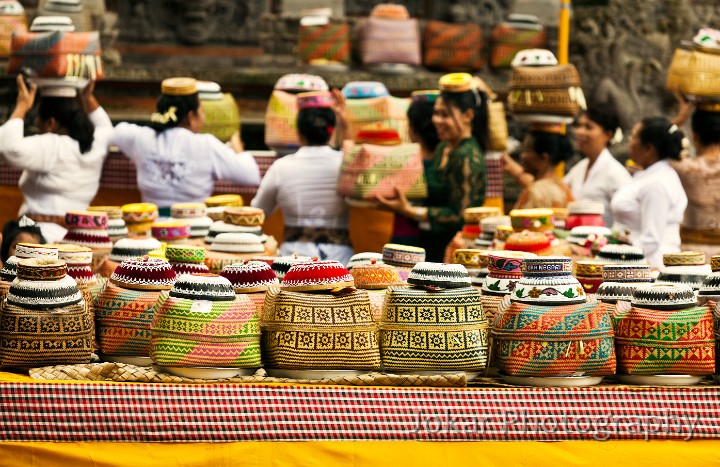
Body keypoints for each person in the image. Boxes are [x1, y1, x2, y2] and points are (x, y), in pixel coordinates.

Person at [111, 77, 261, 216]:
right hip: (193, 232)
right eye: (202, 111)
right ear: (190, 117)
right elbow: (251, 175)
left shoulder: (141, 138)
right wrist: (239, 149)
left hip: (152, 231)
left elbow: (116, 132)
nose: (204, 117)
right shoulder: (206, 144)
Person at [378, 73, 487, 262]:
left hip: (453, 251)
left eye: (445, 114)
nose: (436, 120)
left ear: (468, 115)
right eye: (436, 113)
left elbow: (459, 215)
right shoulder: (444, 147)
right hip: (428, 243)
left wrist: (410, 211)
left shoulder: (467, 155)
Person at [0, 76, 113, 243]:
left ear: (51, 123)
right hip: (78, 237)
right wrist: (88, 98)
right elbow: (106, 128)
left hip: (39, 239)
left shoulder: (53, 145)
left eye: (38, 123)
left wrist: (22, 106)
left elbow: (8, 148)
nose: (38, 128)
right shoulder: (97, 144)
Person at [251, 90, 353, 264]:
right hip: (339, 261)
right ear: (331, 132)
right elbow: (354, 158)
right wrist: (347, 127)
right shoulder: (345, 164)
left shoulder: (281, 167)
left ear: (298, 132)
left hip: (292, 262)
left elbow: (257, 213)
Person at [611, 117, 687, 269]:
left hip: (649, 265)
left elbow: (651, 240)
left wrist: (611, 257)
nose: (629, 143)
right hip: (634, 259)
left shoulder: (656, 183)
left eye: (633, 137)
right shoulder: (651, 174)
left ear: (648, 149)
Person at [564, 103, 632, 227]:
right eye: (579, 126)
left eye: (588, 127)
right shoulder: (579, 168)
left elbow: (626, 218)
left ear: (608, 134)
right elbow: (560, 191)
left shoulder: (616, 173)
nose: (579, 131)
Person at [388, 90, 441, 246]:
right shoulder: (449, 162)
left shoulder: (400, 162)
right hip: (439, 240)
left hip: (404, 239)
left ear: (412, 127)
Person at [669, 100, 720, 257]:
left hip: (691, 257)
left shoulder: (684, 168)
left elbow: (647, 150)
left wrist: (679, 119)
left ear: (694, 137)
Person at [503, 123, 574, 209]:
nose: (522, 156)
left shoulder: (536, 192)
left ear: (544, 157)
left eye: (527, 150)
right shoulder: (563, 188)